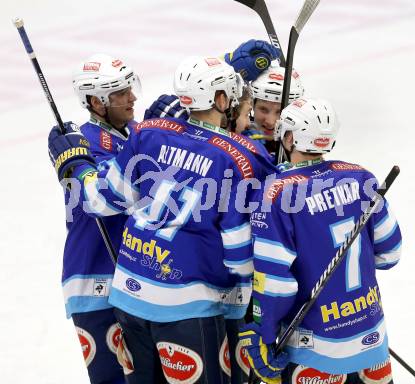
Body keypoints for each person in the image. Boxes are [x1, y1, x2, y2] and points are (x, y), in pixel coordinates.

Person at [48, 56, 277, 383]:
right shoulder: (241, 157)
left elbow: (99, 199)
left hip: (128, 297)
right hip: (190, 305)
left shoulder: (148, 134)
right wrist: (250, 309)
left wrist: (77, 167)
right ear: (222, 100)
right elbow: (240, 249)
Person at [239, 98, 402, 384]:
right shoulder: (360, 176)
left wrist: (263, 332)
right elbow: (390, 253)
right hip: (371, 338)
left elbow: (275, 282)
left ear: (289, 137)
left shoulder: (274, 195)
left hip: (312, 348)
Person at [57, 53, 142, 384]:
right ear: (96, 101)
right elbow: (110, 197)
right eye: (120, 93)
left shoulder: (136, 132)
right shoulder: (81, 143)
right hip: (94, 280)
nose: (132, 97)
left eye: (129, 88)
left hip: (134, 278)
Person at [248, 65, 304, 155]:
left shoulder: (302, 149)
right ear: (252, 105)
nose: (270, 122)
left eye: (280, 112)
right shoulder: (236, 132)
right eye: (263, 109)